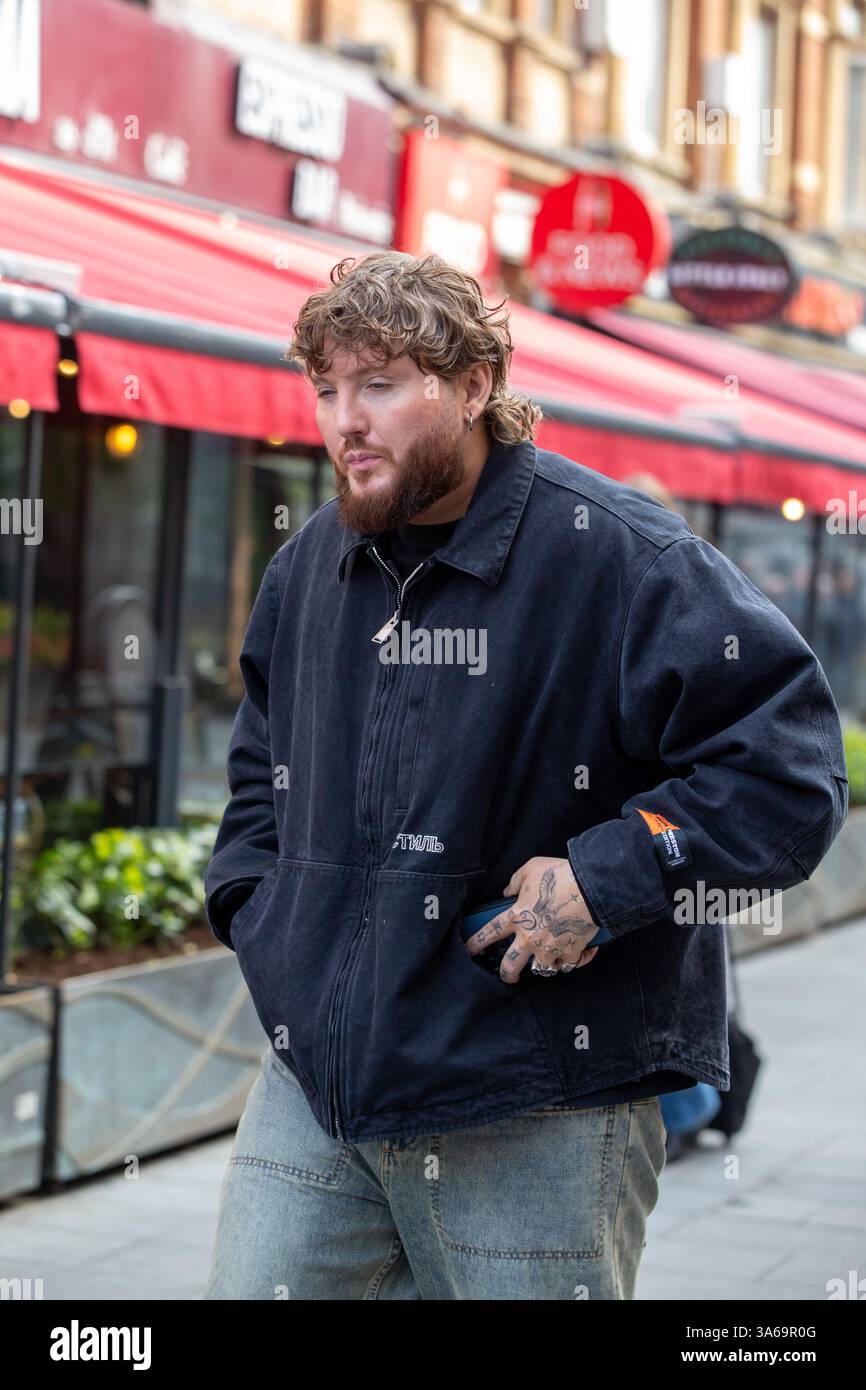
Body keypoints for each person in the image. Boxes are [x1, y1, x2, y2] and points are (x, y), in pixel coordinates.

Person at [201, 251, 848, 1301]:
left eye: (379, 384)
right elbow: (256, 766)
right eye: (325, 388)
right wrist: (262, 913)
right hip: (315, 1084)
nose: (342, 420)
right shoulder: (310, 561)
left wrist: (613, 874)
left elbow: (786, 763)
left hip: (537, 1093)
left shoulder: (620, 555)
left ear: (470, 387)